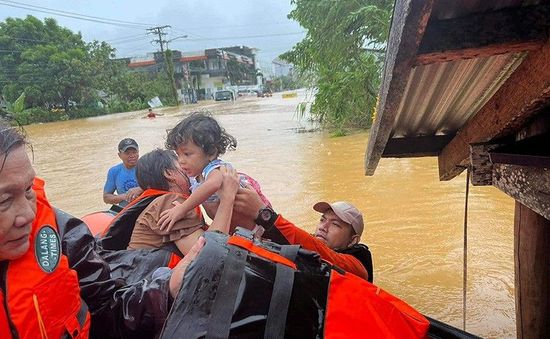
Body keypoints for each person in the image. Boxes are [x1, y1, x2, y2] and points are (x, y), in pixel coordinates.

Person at [0, 119, 204, 338]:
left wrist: (166, 288)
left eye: (29, 189)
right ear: (169, 174)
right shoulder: (163, 199)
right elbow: (107, 197)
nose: (29, 215)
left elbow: (106, 312)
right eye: (4, 200)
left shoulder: (64, 234)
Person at [158, 112, 270, 231]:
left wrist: (182, 209)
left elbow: (213, 184)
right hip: (235, 230)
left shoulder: (215, 169)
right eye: (178, 154)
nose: (181, 161)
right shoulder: (195, 175)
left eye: (187, 154)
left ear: (211, 152)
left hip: (255, 230)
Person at [233, 186, 373, 282]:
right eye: (322, 220)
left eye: (335, 224)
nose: (324, 227)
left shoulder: (358, 267)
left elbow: (323, 254)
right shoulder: (311, 243)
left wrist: (265, 215)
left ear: (352, 241)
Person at [128, 149, 239, 255]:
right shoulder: (171, 202)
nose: (190, 174)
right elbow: (209, 255)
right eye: (183, 168)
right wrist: (228, 197)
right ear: (169, 174)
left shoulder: (158, 201)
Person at [103, 138, 143, 209]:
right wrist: (124, 196)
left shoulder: (147, 167)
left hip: (144, 209)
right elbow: (106, 197)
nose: (132, 155)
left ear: (138, 152)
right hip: (124, 211)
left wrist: (141, 189)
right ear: (119, 155)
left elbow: (158, 187)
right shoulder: (114, 171)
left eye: (134, 152)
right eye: (127, 153)